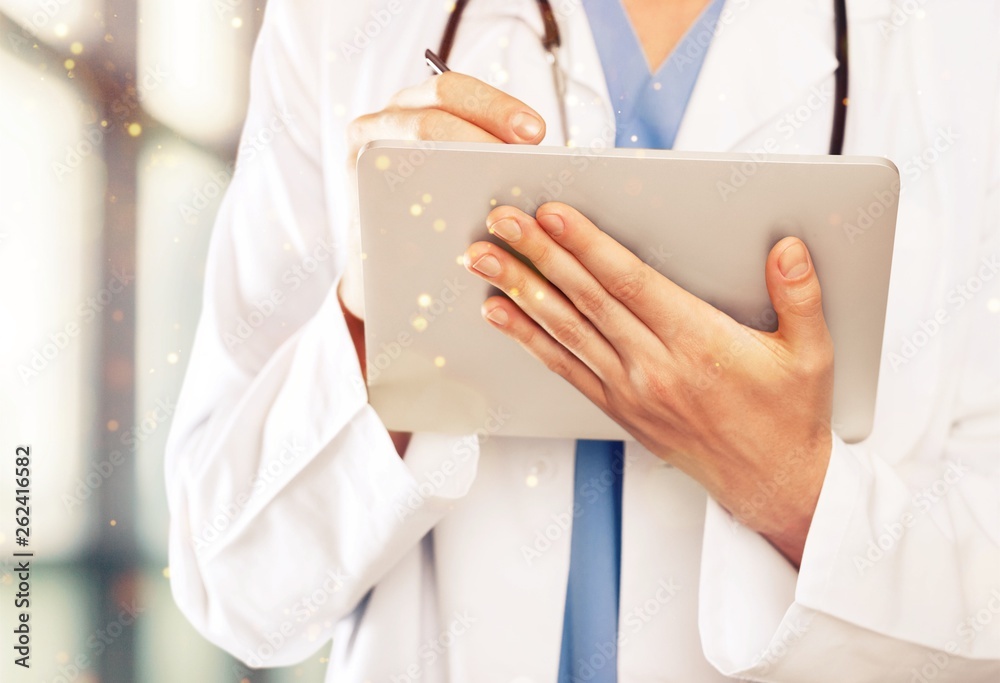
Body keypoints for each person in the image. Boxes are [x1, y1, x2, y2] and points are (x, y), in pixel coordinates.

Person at [164, 0, 1000, 680]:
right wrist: (368, 309)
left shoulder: (966, 40)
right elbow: (235, 586)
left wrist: (788, 487)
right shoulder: (338, 22)